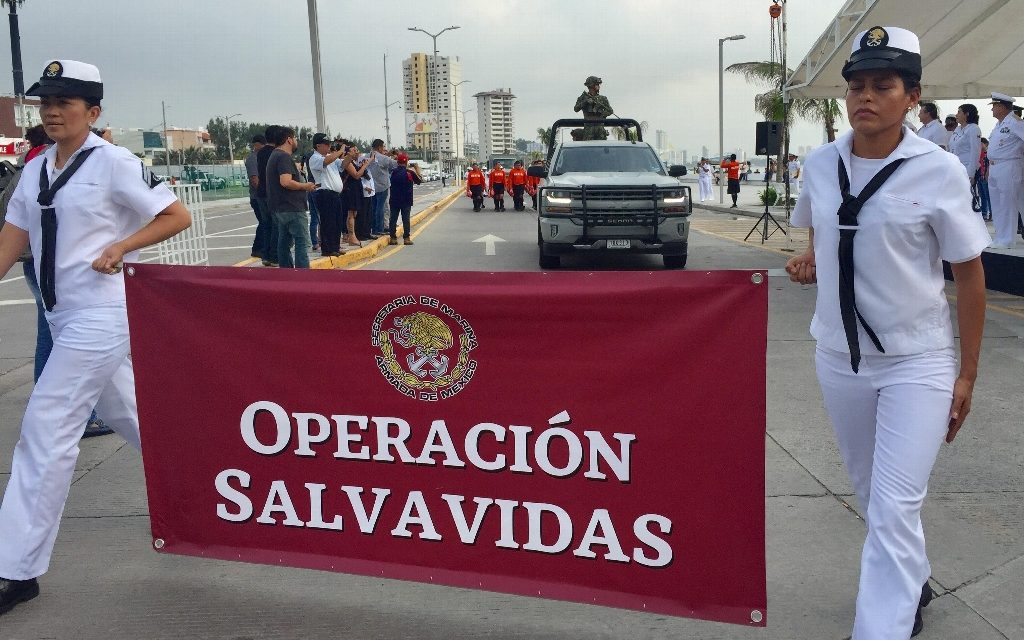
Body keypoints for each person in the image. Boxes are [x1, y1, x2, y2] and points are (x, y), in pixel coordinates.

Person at [784, 28, 989, 639]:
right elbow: (821, 227)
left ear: (912, 96)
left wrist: (967, 374)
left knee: (896, 504)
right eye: (856, 86)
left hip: (916, 360)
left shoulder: (939, 170)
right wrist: (812, 256)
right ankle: (912, 577)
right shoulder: (820, 164)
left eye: (882, 85)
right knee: (874, 494)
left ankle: (879, 629)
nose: (865, 97)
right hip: (839, 357)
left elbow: (970, 274)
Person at [0, 60, 192, 615]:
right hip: (61, 316)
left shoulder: (113, 162)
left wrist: (122, 246)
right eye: (45, 103)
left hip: (102, 314)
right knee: (136, 414)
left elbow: (175, 215)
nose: (52, 112)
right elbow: (13, 237)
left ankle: (16, 569)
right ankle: (202, 494)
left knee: (46, 428)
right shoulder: (36, 169)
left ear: (93, 111)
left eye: (64, 102)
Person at [264, 126, 315, 268]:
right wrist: (305, 186)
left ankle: (286, 273)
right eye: (295, 138)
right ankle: (302, 275)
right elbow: (285, 182)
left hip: (279, 208)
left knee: (284, 243)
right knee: (301, 242)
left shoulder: (274, 156)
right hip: (292, 207)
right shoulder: (283, 157)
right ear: (289, 140)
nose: (296, 141)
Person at [986, 92, 1024, 248]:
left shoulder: (1015, 122)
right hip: (995, 166)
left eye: (994, 106)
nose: (992, 109)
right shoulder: (999, 124)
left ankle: (1007, 239)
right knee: (997, 204)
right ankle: (1000, 237)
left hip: (1010, 165)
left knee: (1008, 203)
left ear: (1001, 107)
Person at [308, 133, 348, 257]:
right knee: (328, 222)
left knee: (337, 221)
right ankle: (327, 248)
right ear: (318, 146)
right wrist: (339, 151)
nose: (328, 146)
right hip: (324, 193)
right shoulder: (315, 158)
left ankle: (335, 246)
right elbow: (326, 161)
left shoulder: (331, 157)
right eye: (326, 144)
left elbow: (342, 166)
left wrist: (350, 156)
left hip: (335, 194)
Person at [255, 126, 281, 266]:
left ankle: (265, 255)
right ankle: (274, 256)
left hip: (261, 193)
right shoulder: (277, 153)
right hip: (272, 194)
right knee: (277, 226)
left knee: (266, 225)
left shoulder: (260, 153)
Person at [388, 153, 422, 246]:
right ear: (406, 162)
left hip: (394, 199)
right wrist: (417, 169)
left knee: (393, 219)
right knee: (406, 219)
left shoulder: (392, 172)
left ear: (397, 162)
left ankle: (393, 238)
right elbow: (419, 181)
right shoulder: (410, 172)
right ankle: (406, 238)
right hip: (406, 200)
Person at [341, 143, 372, 247]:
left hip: (355, 189)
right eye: (354, 150)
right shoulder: (347, 162)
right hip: (350, 190)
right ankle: (351, 236)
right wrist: (365, 166)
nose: (357, 152)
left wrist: (365, 164)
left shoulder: (353, 162)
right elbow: (356, 175)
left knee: (354, 213)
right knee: (351, 214)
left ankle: (351, 236)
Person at [366, 139, 397, 237]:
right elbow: (396, 164)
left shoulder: (367, 156)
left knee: (373, 208)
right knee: (381, 208)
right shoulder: (383, 158)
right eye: (383, 147)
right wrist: (396, 155)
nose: (384, 148)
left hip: (371, 187)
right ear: (379, 147)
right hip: (383, 186)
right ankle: (379, 228)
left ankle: (374, 228)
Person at [244, 135, 268, 260]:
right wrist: (263, 192)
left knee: (264, 222)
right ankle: (258, 249)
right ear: (256, 144)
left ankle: (260, 248)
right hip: (257, 197)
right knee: (264, 222)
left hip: (261, 195)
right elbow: (254, 179)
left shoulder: (261, 157)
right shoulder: (253, 159)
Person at [948, 104, 983, 188]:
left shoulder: (973, 128)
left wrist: (971, 174)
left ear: (967, 114)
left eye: (959, 112)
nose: (956, 115)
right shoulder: (957, 129)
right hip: (956, 168)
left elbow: (975, 152)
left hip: (966, 168)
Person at [573, 76, 614, 140]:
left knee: (602, 145)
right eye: (597, 85)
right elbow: (576, 109)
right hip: (588, 128)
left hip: (600, 128)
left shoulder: (603, 98)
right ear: (591, 86)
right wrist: (586, 102)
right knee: (588, 145)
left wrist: (602, 115)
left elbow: (610, 111)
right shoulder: (583, 97)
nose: (599, 86)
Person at [978, 138, 991, 220]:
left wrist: (987, 174)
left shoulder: (988, 153)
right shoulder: (979, 153)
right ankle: (984, 213)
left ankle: (991, 213)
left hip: (986, 177)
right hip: (980, 176)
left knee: (988, 196)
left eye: (981, 143)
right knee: (982, 196)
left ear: (985, 144)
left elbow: (988, 165)